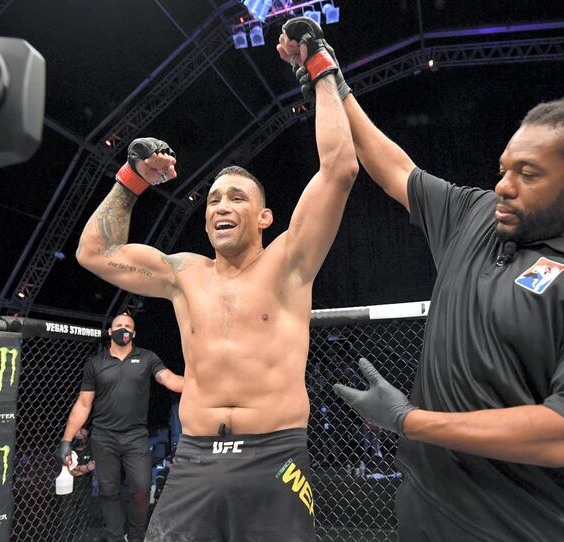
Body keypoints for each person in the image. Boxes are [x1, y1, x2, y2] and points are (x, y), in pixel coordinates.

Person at [280, 23, 564, 541]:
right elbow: (394, 167)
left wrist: (409, 421)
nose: (503, 186)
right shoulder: (480, 217)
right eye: (504, 168)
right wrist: (324, 70)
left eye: (528, 174)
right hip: (425, 523)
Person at [74, 18, 358, 541]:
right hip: (196, 459)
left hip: (274, 454)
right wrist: (131, 181)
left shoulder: (290, 261)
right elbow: (95, 252)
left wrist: (319, 65)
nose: (221, 207)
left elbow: (339, 167)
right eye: (213, 200)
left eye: (237, 198)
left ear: (265, 217)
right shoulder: (184, 274)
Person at [57, 312, 184, 542]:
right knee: (108, 491)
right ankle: (116, 538)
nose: (123, 329)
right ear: (110, 331)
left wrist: (202, 383)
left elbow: (170, 380)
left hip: (135, 436)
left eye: (127, 326)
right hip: (103, 437)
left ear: (134, 333)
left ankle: (136, 537)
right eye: (118, 325)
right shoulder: (95, 363)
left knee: (141, 489)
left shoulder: (147, 358)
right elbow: (84, 403)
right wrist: (66, 441)